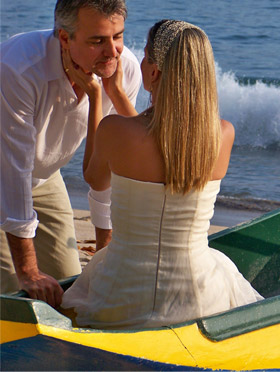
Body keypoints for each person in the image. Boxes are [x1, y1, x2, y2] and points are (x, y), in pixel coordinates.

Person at [61, 20, 263, 329]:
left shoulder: (114, 131)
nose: (139, 63)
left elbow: (96, 178)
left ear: (153, 72)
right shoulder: (223, 134)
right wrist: (116, 94)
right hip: (200, 296)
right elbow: (161, 142)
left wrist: (97, 97)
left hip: (122, 295)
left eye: (144, 55)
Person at [0, 0, 141, 307]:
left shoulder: (124, 69)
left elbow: (111, 164)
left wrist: (105, 245)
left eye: (118, 36)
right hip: (6, 173)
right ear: (64, 38)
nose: (113, 51)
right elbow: (13, 168)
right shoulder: (18, 68)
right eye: (97, 41)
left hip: (46, 178)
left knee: (68, 286)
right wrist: (27, 270)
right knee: (13, 293)